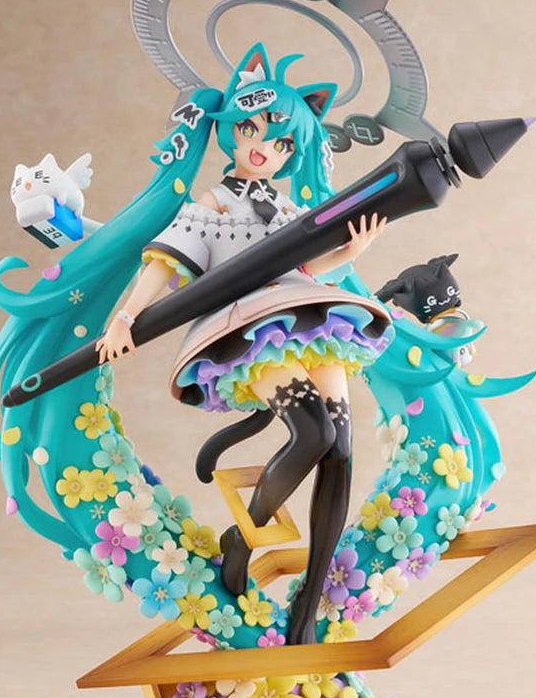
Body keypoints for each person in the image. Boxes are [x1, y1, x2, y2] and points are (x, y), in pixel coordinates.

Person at [96, 44, 391, 643]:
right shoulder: (214, 204)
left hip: (311, 317)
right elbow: (167, 260)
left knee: (341, 449)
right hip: (252, 330)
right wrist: (125, 316)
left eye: (279, 141)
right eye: (252, 130)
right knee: (313, 432)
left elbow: (304, 269)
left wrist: (349, 252)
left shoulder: (287, 206)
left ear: (291, 151)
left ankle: (308, 602)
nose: (263, 146)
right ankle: (244, 534)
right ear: (231, 129)